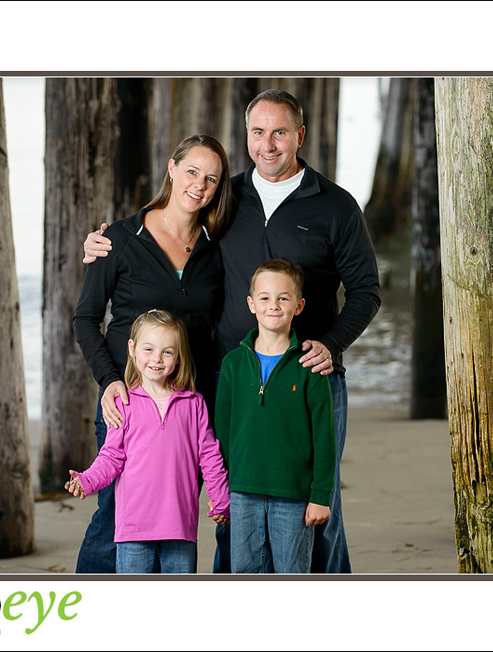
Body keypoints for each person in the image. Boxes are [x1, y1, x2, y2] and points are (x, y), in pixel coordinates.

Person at [84, 89, 381, 574]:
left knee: (318, 505)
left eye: (280, 132)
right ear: (246, 136)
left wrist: (330, 343)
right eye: (258, 132)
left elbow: (366, 291)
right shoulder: (227, 197)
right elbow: (168, 223)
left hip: (308, 375)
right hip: (233, 379)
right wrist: (106, 242)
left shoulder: (335, 205)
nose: (269, 144)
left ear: (300, 136)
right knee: (231, 498)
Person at [72, 134, 232, 573]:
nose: (199, 185)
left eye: (212, 179)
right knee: (113, 518)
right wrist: (110, 380)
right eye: (192, 172)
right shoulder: (120, 238)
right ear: (172, 168)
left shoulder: (216, 247)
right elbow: (86, 319)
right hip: (128, 403)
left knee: (176, 521)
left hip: (188, 408)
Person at [65, 310, 230, 574]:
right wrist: (86, 480)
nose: (156, 358)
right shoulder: (123, 404)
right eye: (149, 349)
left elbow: (209, 456)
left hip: (179, 525)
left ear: (178, 357)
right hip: (133, 526)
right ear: (132, 348)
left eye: (167, 352)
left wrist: (221, 499)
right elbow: (111, 457)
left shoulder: (193, 403)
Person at [215, 260, 335, 573]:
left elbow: (325, 437)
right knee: (244, 573)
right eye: (265, 298)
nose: (274, 305)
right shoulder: (232, 364)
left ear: (299, 306)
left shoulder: (310, 366)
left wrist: (321, 496)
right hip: (243, 493)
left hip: (293, 495)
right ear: (251, 304)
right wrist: (220, 488)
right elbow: (222, 434)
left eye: (283, 298)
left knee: (292, 573)